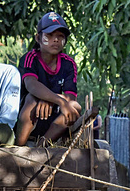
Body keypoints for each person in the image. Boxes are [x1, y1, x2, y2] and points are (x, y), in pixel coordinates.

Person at [15, 12, 81, 146]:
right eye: (49, 35)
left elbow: (70, 97)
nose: (55, 40)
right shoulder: (30, 58)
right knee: (32, 99)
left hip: (52, 119)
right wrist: (59, 100)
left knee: (75, 106)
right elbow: (31, 85)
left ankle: (42, 146)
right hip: (30, 115)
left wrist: (51, 100)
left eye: (60, 36)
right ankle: (18, 148)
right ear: (38, 38)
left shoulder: (69, 64)